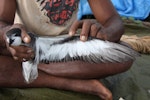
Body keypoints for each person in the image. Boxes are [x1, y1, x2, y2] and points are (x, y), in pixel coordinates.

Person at [0, 0, 133, 100]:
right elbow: (2, 22)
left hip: (66, 49)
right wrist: (9, 34)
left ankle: (37, 63)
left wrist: (105, 32)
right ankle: (70, 83)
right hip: (23, 47)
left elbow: (112, 20)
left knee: (124, 55)